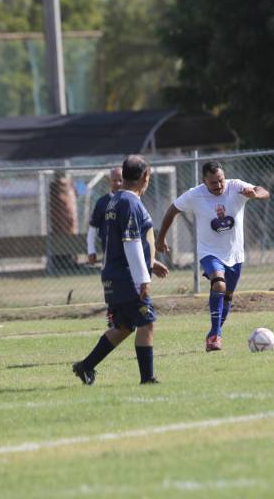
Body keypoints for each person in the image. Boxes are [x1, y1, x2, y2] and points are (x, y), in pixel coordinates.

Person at [73, 155, 168, 385]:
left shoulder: (115, 200)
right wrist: (143, 279)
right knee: (146, 322)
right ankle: (147, 378)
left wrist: (150, 262)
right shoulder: (130, 202)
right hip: (127, 277)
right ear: (145, 177)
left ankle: (85, 366)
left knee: (124, 327)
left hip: (115, 274)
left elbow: (122, 241)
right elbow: (131, 242)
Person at [156, 161, 270, 352]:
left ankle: (214, 332)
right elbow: (172, 210)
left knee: (227, 296)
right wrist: (161, 238)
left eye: (221, 180)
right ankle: (216, 336)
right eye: (213, 182)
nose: (218, 185)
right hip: (209, 252)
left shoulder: (236, 186)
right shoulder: (195, 194)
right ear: (204, 181)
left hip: (235, 255)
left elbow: (263, 191)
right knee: (219, 284)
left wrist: (255, 194)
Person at [86, 166, 123, 265]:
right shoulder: (102, 202)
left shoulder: (132, 200)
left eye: (121, 180)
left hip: (129, 253)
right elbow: (93, 228)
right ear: (109, 181)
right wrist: (91, 250)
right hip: (109, 254)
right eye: (114, 180)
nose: (118, 183)